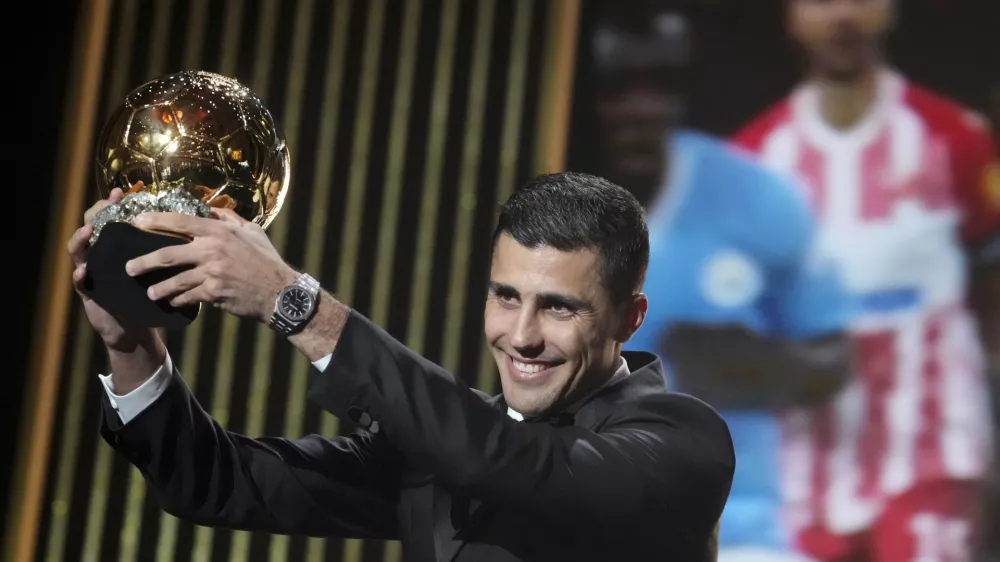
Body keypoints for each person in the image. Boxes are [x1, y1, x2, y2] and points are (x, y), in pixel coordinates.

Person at [68, 172, 735, 562]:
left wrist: (295, 304)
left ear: (629, 317)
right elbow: (215, 484)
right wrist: (130, 344)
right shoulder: (438, 448)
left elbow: (510, 463)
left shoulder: (683, 443)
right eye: (506, 297)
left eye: (558, 309)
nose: (521, 336)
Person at [731, 0, 1000, 560]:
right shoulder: (751, 164)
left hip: (930, 459)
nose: (844, 16)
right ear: (791, 14)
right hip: (800, 474)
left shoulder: (957, 139)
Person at [586, 8, 853, 562]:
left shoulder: (759, 200)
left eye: (662, 87)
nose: (641, 109)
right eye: (618, 90)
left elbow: (833, 360)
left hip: (738, 535)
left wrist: (732, 366)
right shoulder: (531, 218)